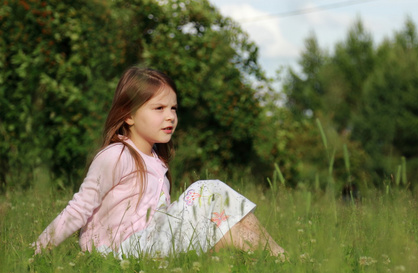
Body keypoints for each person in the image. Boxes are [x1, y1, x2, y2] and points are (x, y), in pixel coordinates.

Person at [34, 66, 285, 259]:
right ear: (129, 116)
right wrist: (37, 251)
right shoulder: (116, 156)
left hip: (149, 244)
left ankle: (280, 258)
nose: (170, 117)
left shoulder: (156, 162)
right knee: (209, 190)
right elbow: (79, 208)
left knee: (228, 222)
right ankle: (279, 259)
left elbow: (157, 217)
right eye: (159, 108)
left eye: (173, 108)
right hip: (119, 251)